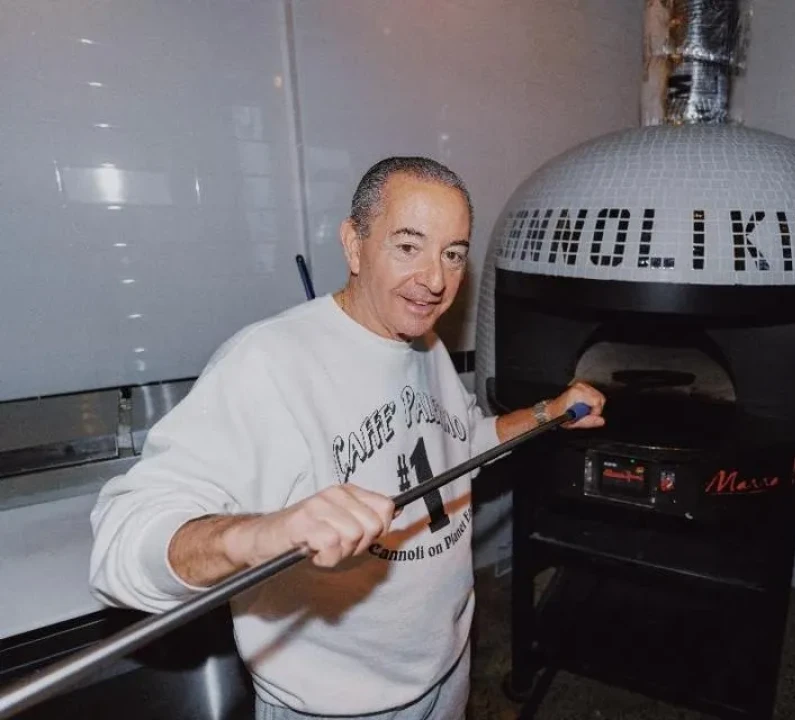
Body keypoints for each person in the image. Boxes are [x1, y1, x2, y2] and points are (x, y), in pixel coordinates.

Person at [88, 156, 606, 720]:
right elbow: (122, 543)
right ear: (354, 246)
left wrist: (547, 413)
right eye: (408, 246)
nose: (435, 280)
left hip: (447, 666)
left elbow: (462, 444)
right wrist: (269, 533)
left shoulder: (423, 342)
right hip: (339, 706)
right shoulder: (266, 362)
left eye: (452, 254)